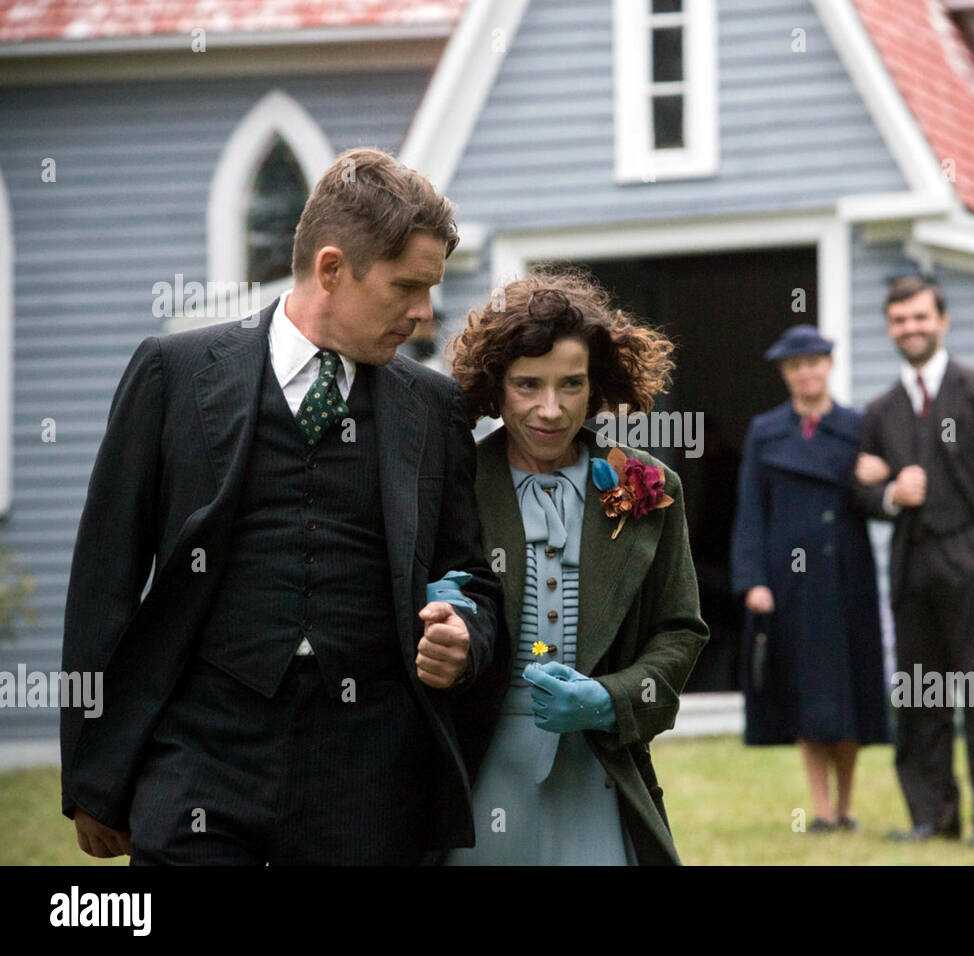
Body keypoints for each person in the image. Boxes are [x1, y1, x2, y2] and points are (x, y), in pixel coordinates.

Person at [60, 147, 504, 864]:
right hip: (201, 751)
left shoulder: (433, 407)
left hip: (369, 770)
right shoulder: (173, 375)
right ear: (332, 268)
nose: (424, 316)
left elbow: (469, 577)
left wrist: (467, 635)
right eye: (406, 288)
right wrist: (91, 773)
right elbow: (103, 582)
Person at [444, 269, 709, 865]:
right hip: (481, 770)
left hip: (599, 771)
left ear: (597, 386)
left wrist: (610, 699)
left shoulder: (648, 484)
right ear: (495, 386)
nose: (551, 408)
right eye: (527, 385)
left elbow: (680, 630)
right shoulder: (453, 482)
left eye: (571, 384)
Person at [851, 274, 974, 847]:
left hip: (969, 561)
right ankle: (932, 817)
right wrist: (889, 495)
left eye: (921, 317)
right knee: (921, 696)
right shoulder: (880, 410)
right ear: (890, 329)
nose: (911, 328)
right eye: (900, 320)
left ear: (942, 320)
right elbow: (861, 489)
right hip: (910, 567)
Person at [730, 325, 889, 833]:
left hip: (847, 577)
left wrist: (880, 479)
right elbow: (750, 509)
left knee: (848, 689)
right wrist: (753, 578)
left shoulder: (859, 427)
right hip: (788, 581)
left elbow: (879, 497)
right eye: (796, 365)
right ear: (785, 373)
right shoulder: (765, 431)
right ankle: (820, 810)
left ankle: (847, 807)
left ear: (830, 366)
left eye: (816, 362)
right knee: (806, 689)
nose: (807, 372)